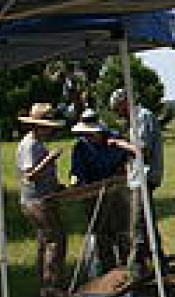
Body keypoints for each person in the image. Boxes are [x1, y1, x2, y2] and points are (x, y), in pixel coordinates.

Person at [70, 109, 138, 278]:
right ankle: (108, 272)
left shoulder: (114, 138)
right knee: (101, 234)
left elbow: (130, 157)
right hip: (93, 193)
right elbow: (77, 170)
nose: (87, 136)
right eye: (84, 133)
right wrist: (75, 180)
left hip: (117, 190)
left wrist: (122, 171)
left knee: (122, 230)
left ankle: (128, 267)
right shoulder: (81, 146)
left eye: (90, 133)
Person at [108, 89, 167, 280]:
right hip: (138, 177)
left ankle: (135, 272)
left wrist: (119, 144)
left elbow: (143, 150)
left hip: (144, 178)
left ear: (125, 103)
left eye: (118, 109)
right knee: (147, 224)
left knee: (138, 226)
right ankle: (160, 264)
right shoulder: (137, 119)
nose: (118, 114)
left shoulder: (142, 116)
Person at [16, 103, 67, 297]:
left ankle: (46, 286)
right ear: (38, 126)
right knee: (56, 239)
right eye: (48, 126)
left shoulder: (37, 143)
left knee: (45, 241)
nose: (51, 130)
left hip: (42, 197)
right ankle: (52, 287)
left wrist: (57, 186)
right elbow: (31, 175)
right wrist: (50, 159)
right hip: (36, 200)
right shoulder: (30, 144)